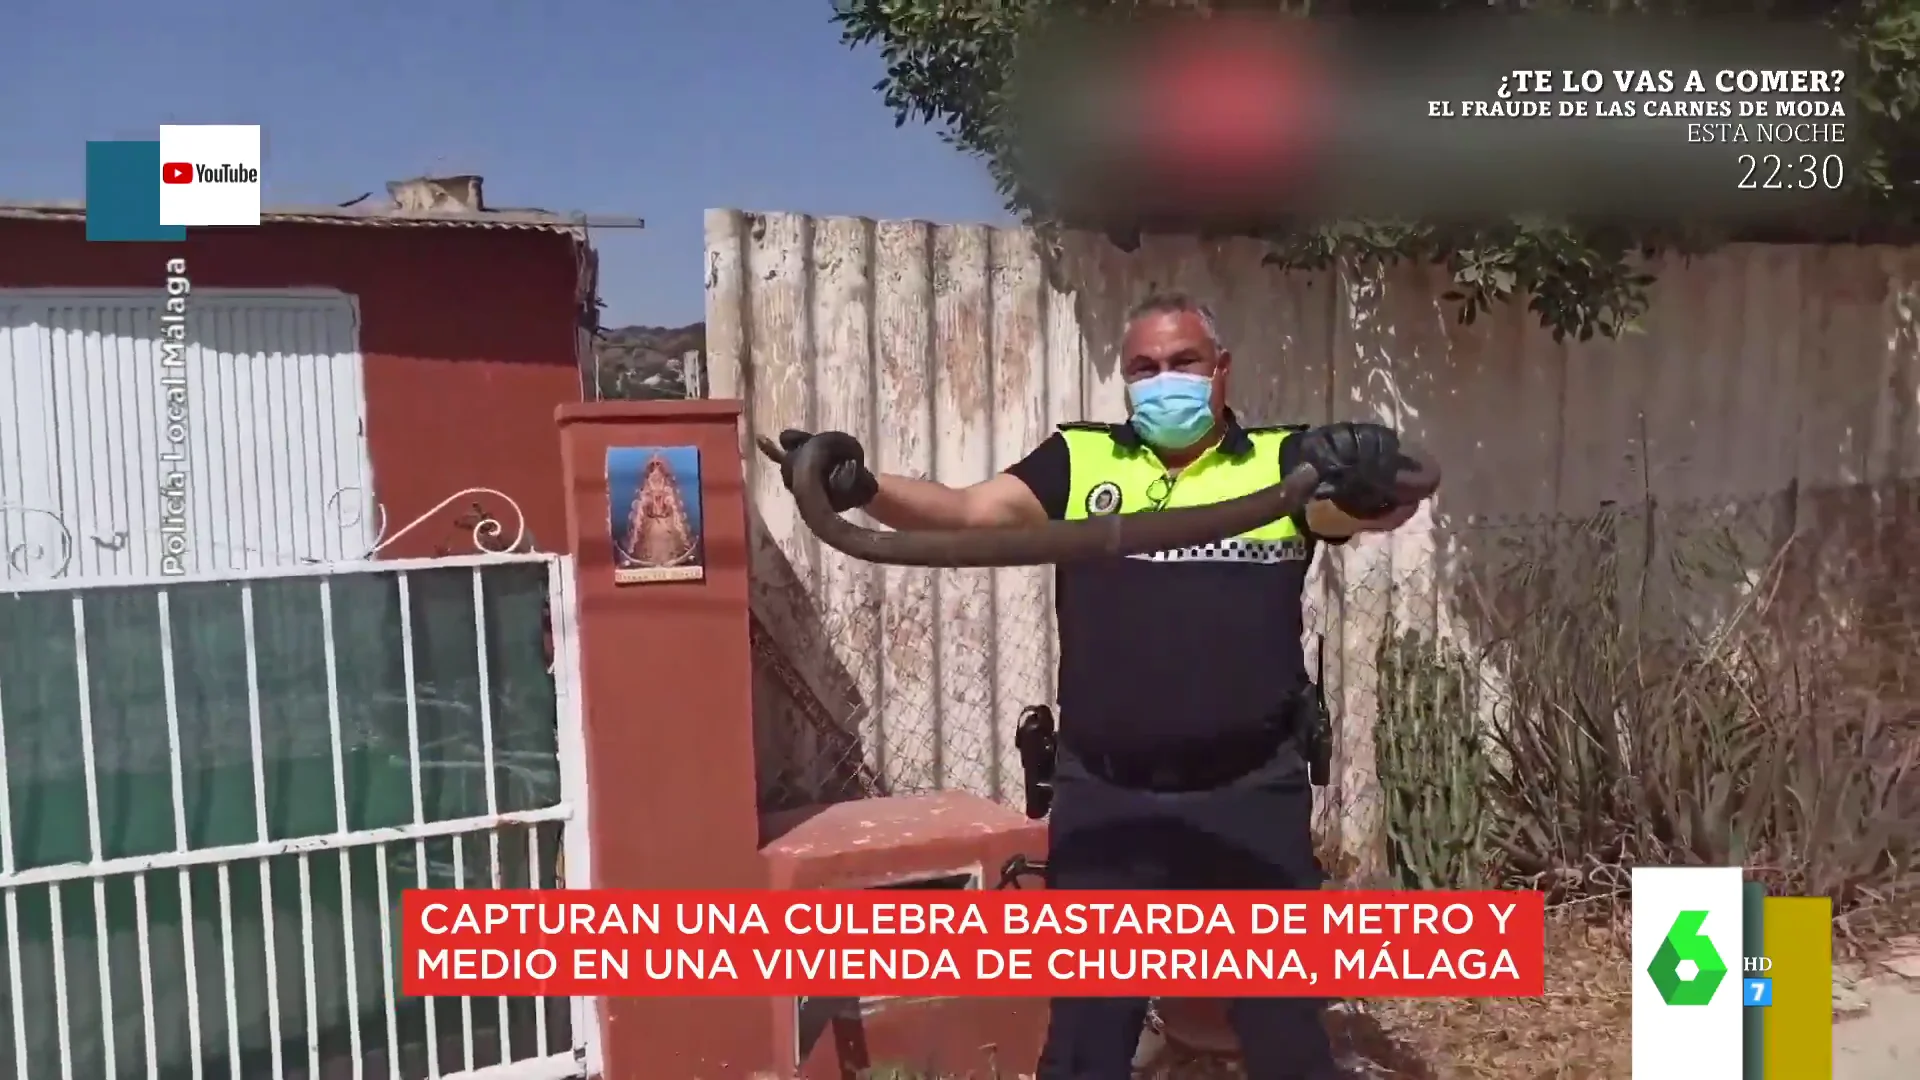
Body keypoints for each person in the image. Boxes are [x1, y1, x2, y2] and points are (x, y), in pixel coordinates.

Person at [771, 291, 1429, 1080]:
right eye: (1143, 368)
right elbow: (972, 512)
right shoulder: (1083, 460)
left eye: (1184, 362)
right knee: (1087, 1040)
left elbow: (1375, 510)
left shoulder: (1282, 464)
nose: (1165, 381)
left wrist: (1367, 470)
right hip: (1109, 797)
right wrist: (861, 487)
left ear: (1222, 370)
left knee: (1286, 1035)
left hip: (1252, 796)